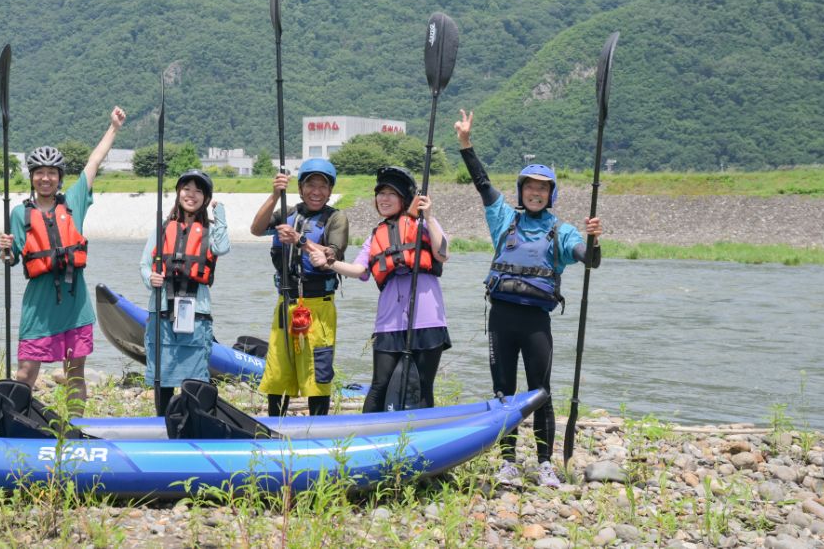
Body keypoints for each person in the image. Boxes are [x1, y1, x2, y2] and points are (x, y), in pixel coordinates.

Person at [454, 109, 603, 489]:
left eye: (543, 188)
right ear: (521, 191)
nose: (535, 192)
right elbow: (482, 184)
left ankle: (544, 463)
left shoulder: (562, 231)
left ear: (551, 194)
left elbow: (591, 261)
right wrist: (466, 144)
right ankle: (506, 461)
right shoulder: (504, 220)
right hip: (502, 319)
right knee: (504, 392)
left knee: (540, 393)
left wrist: (593, 239)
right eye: (529, 187)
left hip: (537, 323)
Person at [0, 106, 126, 415]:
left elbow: (93, 163)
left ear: (58, 178)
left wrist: (113, 128)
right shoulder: (20, 214)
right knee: (26, 373)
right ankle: (17, 422)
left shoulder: (74, 202)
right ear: (32, 177)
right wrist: (4, 249)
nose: (45, 178)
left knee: (75, 374)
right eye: (39, 173)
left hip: (75, 306)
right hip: (38, 309)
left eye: (51, 173)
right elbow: (10, 259)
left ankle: (74, 427)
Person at [249, 158, 356, 416]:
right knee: (278, 370)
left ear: (330, 191)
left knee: (316, 372)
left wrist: (299, 240)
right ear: (300, 188)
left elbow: (333, 255)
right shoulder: (287, 212)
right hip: (286, 303)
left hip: (318, 306)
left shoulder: (336, 218)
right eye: (311, 185)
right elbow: (256, 229)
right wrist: (275, 194)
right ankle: (275, 425)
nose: (316, 191)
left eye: (323, 186)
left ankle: (318, 427)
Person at [341, 166, 451, 414]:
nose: (384, 198)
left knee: (423, 385)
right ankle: (368, 438)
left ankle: (421, 441)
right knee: (379, 385)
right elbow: (359, 270)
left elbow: (443, 254)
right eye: (380, 193)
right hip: (389, 322)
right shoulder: (376, 235)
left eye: (391, 193)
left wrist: (430, 216)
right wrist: (326, 261)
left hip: (427, 319)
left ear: (405, 199)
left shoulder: (422, 224)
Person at [138, 169, 230, 415]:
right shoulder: (163, 227)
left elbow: (223, 246)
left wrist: (219, 214)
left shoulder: (210, 230)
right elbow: (145, 264)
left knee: (196, 376)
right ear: (179, 193)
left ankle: (195, 423)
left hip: (196, 312)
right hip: (163, 308)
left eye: (198, 191)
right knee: (163, 376)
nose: (191, 194)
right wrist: (151, 278)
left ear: (206, 198)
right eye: (186, 189)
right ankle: (163, 421)